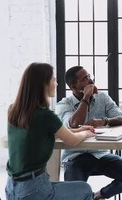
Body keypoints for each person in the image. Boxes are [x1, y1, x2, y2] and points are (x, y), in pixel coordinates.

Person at [5, 62, 95, 200]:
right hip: (34, 190)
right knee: (85, 189)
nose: (57, 84)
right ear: (44, 84)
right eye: (54, 80)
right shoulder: (45, 115)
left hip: (12, 189)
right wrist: (86, 133)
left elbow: (51, 132)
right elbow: (72, 141)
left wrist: (79, 129)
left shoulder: (14, 110)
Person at [55, 66, 122, 200]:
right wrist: (86, 96)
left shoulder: (102, 98)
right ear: (73, 87)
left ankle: (98, 196)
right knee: (73, 193)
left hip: (100, 154)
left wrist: (104, 121)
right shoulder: (64, 104)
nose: (90, 81)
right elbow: (74, 123)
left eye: (89, 76)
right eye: (85, 79)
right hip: (75, 157)